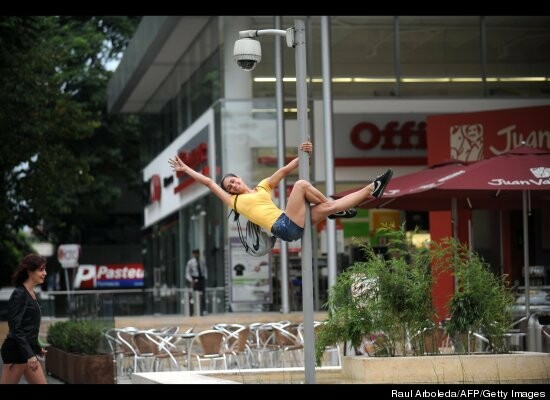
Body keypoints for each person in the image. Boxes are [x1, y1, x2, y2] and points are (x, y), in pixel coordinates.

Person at [169, 141, 392, 243]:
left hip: (291, 226)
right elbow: (209, 182)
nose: (233, 187)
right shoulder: (235, 203)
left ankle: (373, 188)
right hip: (283, 226)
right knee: (301, 186)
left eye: (234, 182)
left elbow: (285, 169)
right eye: (229, 187)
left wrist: (303, 153)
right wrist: (186, 168)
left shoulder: (263, 186)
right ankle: (333, 211)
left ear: (240, 178)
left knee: (330, 205)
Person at [1, 254, 48, 384]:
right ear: (29, 271)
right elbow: (16, 328)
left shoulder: (32, 294)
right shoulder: (20, 294)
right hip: (16, 352)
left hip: (28, 352)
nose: (45, 273)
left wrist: (36, 348)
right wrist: (30, 354)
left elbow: (29, 327)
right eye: (41, 269)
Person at [185, 249, 207, 315]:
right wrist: (191, 280)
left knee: (202, 296)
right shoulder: (190, 262)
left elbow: (204, 270)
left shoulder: (202, 261)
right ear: (193, 254)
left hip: (201, 279)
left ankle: (202, 311)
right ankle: (192, 311)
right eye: (195, 253)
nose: (196, 255)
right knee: (193, 296)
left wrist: (205, 278)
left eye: (197, 253)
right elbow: (187, 273)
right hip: (194, 279)